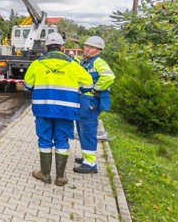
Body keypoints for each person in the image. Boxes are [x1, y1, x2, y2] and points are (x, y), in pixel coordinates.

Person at [24, 33, 93, 186]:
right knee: (62, 140)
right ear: (62, 48)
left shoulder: (37, 64)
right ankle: (60, 177)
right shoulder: (73, 65)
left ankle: (45, 174)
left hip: (43, 108)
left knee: (44, 139)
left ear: (46, 48)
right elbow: (88, 85)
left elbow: (28, 85)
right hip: (66, 110)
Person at [74, 36, 116, 174]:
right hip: (83, 100)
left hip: (90, 101)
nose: (87, 49)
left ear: (98, 51)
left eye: (91, 47)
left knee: (88, 130)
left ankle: (90, 164)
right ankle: (87, 157)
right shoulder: (85, 62)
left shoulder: (99, 63)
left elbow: (109, 77)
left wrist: (95, 89)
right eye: (86, 46)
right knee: (81, 130)